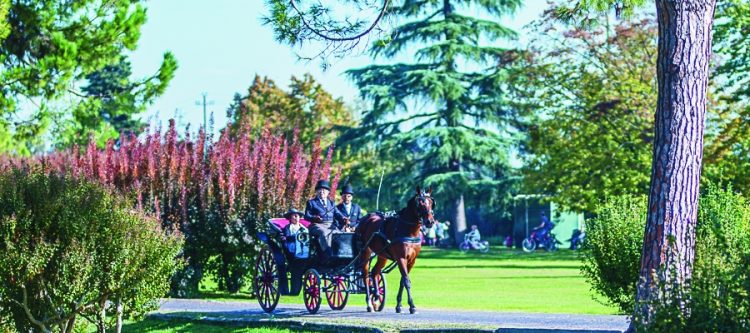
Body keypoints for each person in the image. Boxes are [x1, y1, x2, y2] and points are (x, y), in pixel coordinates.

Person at [305, 180, 345, 259]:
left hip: (330, 225)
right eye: (320, 189)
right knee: (324, 233)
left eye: (324, 190)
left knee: (339, 233)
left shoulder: (331, 203)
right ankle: (328, 254)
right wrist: (314, 218)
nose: (322, 191)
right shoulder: (311, 202)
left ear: (328, 192)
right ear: (316, 191)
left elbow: (337, 214)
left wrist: (343, 218)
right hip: (316, 225)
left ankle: (341, 254)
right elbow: (307, 216)